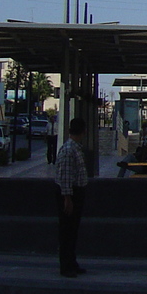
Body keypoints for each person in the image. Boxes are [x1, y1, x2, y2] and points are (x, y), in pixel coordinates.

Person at [55, 117, 88, 278]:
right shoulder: (69, 150)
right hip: (70, 195)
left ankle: (72, 262)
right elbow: (66, 176)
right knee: (67, 231)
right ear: (83, 132)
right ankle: (66, 265)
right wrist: (67, 199)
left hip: (76, 193)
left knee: (73, 231)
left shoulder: (75, 148)